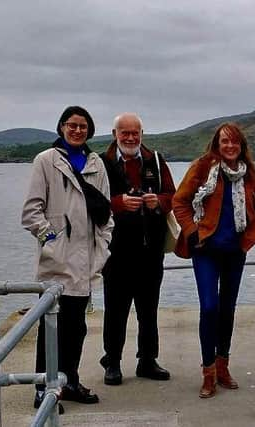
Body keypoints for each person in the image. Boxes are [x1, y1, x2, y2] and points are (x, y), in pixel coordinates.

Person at [22, 105, 113, 410]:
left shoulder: (96, 163)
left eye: (83, 127)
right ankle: (42, 387)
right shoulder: (46, 161)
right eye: (72, 125)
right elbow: (31, 213)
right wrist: (52, 239)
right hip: (57, 262)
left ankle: (69, 381)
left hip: (87, 260)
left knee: (77, 326)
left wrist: (104, 246)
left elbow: (105, 213)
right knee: (51, 326)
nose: (77, 131)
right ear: (61, 127)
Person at [173, 122, 255, 398]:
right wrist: (192, 233)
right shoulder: (203, 167)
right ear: (217, 144)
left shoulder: (248, 173)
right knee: (209, 308)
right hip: (206, 251)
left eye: (235, 142)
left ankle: (223, 365)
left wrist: (251, 236)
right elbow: (180, 201)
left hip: (235, 251)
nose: (230, 146)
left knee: (227, 309)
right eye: (225, 141)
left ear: (242, 146)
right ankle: (208, 372)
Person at [98, 112, 175, 385]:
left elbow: (172, 196)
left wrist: (158, 202)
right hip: (115, 251)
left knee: (148, 309)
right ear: (114, 134)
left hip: (149, 249)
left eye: (135, 133)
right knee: (115, 310)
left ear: (142, 134)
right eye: (124, 133)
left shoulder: (154, 160)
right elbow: (91, 202)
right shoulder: (102, 163)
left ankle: (147, 360)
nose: (130, 138)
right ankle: (113, 362)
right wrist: (118, 203)